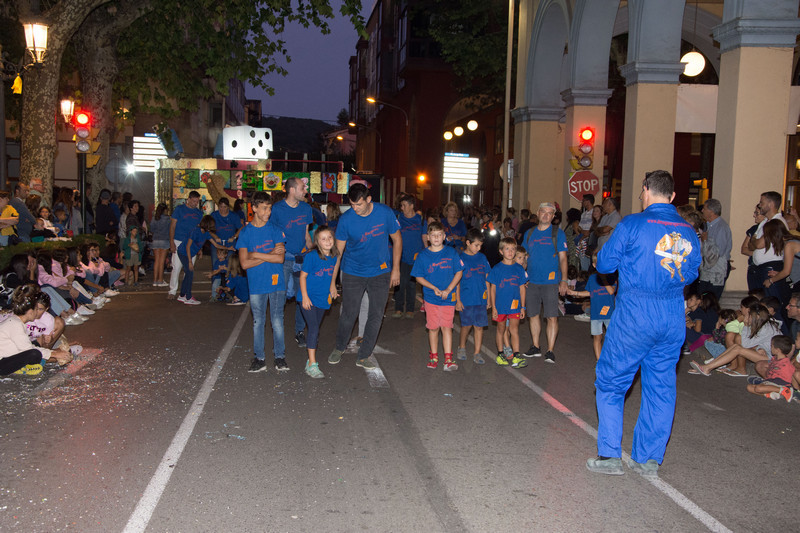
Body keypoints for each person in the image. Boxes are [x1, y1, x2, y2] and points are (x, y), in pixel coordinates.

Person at [587, 170, 701, 479]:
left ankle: (610, 455)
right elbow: (692, 273)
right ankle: (649, 458)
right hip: (672, 315)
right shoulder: (688, 231)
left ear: (646, 190)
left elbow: (605, 263)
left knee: (611, 382)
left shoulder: (632, 224)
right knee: (661, 386)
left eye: (641, 192)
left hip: (636, 313)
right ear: (673, 196)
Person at [327, 183, 401, 369]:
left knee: (376, 314)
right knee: (349, 314)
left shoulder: (385, 213)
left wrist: (396, 269)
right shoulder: (346, 220)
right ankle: (339, 347)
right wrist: (332, 281)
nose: (355, 208)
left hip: (380, 272)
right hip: (353, 272)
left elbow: (397, 239)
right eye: (352, 204)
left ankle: (364, 355)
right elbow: (338, 253)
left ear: (369, 199)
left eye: (358, 204)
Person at [237, 192, 288, 372]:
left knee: (277, 321)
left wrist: (256, 254)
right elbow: (244, 264)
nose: (268, 212)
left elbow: (280, 258)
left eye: (270, 208)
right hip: (257, 284)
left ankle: (280, 357)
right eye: (265, 208)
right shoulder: (245, 233)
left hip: (276, 283)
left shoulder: (275, 229)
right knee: (258, 322)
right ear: (254, 208)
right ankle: (259, 358)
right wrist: (269, 254)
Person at [411, 221, 464, 371]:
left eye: (439, 235)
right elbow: (418, 277)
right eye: (433, 235)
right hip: (431, 298)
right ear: (428, 237)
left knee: (447, 327)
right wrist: (433, 287)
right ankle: (433, 356)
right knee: (433, 328)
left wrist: (448, 289)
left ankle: (448, 359)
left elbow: (459, 272)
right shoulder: (423, 255)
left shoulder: (451, 253)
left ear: (444, 236)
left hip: (448, 297)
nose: (436, 238)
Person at [269, 177, 313, 348]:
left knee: (302, 298)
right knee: (279, 298)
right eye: (302, 188)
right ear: (292, 190)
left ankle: (299, 331)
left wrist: (315, 253)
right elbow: (272, 235)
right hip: (283, 261)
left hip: (301, 259)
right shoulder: (277, 209)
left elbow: (306, 235)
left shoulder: (306, 208)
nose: (305, 191)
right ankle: (277, 333)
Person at [521, 202, 568, 363]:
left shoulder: (558, 233)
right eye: (543, 212)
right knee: (533, 315)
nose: (546, 215)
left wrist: (564, 280)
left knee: (551, 316)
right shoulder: (529, 233)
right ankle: (535, 346)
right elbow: (523, 257)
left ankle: (550, 350)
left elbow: (563, 258)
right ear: (538, 213)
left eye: (549, 213)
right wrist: (522, 277)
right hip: (532, 281)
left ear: (553, 216)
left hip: (551, 281)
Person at [689, 303, 780, 376]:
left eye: (749, 315)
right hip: (766, 354)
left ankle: (708, 367)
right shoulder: (761, 325)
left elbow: (745, 344)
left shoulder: (766, 328)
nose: (746, 316)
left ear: (756, 317)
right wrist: (759, 348)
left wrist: (745, 325)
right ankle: (708, 367)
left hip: (773, 359)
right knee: (736, 345)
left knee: (738, 348)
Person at [0, 285, 72, 375]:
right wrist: (54, 354)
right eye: (36, 310)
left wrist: (53, 352)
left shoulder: (16, 321)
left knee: (35, 347)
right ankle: (24, 367)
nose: (37, 313)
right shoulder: (15, 324)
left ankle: (28, 365)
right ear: (30, 311)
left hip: (9, 354)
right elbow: (28, 350)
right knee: (34, 354)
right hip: (2, 363)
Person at [298, 226, 338, 379]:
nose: (327, 241)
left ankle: (310, 361)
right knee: (314, 328)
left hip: (322, 298)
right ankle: (313, 364)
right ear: (317, 242)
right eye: (323, 239)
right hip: (308, 298)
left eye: (330, 237)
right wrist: (305, 296)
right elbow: (303, 277)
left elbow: (331, 274)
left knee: (315, 328)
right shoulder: (312, 256)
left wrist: (332, 287)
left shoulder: (334, 256)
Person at [566, 253, 616, 360]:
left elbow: (611, 291)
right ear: (594, 265)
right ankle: (599, 361)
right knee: (597, 337)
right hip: (596, 312)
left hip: (609, 313)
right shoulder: (592, 278)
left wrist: (603, 278)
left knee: (612, 337)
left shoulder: (611, 276)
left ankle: (611, 361)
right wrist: (574, 293)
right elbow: (589, 292)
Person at [488, 237, 528, 368]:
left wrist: (523, 307)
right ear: (501, 251)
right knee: (501, 329)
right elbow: (493, 289)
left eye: (513, 249)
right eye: (507, 249)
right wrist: (494, 307)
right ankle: (500, 354)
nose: (510, 252)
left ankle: (516, 355)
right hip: (500, 306)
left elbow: (522, 289)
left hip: (515, 306)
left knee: (514, 329)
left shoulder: (519, 269)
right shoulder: (497, 269)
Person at [456, 228, 491, 365]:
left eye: (481, 245)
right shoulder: (461, 259)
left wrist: (488, 298)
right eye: (476, 245)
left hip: (481, 299)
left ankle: (477, 352)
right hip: (466, 299)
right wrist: (458, 300)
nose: (479, 248)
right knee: (466, 326)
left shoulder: (482, 258)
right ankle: (461, 347)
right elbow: (457, 282)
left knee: (479, 326)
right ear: (468, 243)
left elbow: (487, 279)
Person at [747, 191, 787, 291]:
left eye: (762, 202)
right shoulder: (764, 222)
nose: (760, 205)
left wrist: (754, 240)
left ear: (771, 204)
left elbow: (759, 244)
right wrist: (754, 241)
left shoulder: (777, 222)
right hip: (760, 268)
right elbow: (750, 245)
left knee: (769, 298)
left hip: (770, 268)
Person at [177, 215, 220, 306]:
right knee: (190, 273)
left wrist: (228, 248)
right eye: (211, 225)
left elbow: (215, 245)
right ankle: (188, 297)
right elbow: (188, 247)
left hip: (188, 253)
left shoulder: (206, 233)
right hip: (183, 252)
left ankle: (182, 295)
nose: (213, 227)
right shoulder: (195, 231)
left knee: (188, 274)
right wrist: (190, 262)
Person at [168, 191, 203, 299]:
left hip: (191, 243)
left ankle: (184, 291)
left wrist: (199, 247)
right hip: (178, 241)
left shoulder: (199, 213)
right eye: (193, 201)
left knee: (189, 269)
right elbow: (172, 226)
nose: (195, 203)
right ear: (188, 199)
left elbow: (199, 230)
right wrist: (171, 242)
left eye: (197, 201)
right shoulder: (179, 209)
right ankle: (172, 291)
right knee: (176, 267)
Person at [394, 194, 425, 318]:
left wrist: (427, 254)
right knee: (400, 283)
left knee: (412, 284)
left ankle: (410, 309)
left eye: (404, 205)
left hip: (416, 257)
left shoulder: (420, 220)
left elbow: (424, 238)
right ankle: (398, 308)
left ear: (412, 206)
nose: (402, 208)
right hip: (401, 256)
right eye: (401, 205)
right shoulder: (398, 218)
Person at [697, 199, 732, 299]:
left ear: (711, 211)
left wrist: (705, 241)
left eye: (704, 208)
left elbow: (718, 252)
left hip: (716, 270)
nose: (702, 211)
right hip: (706, 270)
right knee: (702, 298)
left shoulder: (721, 227)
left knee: (711, 300)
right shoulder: (708, 225)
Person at [744, 335, 795, 401]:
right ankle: (772, 395)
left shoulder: (785, 364)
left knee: (758, 388)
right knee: (749, 387)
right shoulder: (775, 359)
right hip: (770, 382)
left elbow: (790, 376)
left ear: (777, 350)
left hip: (779, 384)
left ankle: (784, 390)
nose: (770, 348)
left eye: (771, 346)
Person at [150, 203, 171, 287]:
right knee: (162, 262)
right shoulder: (168, 219)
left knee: (157, 261)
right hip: (165, 240)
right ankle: (160, 280)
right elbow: (170, 230)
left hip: (155, 240)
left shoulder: (154, 218)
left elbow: (151, 229)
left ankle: (155, 280)